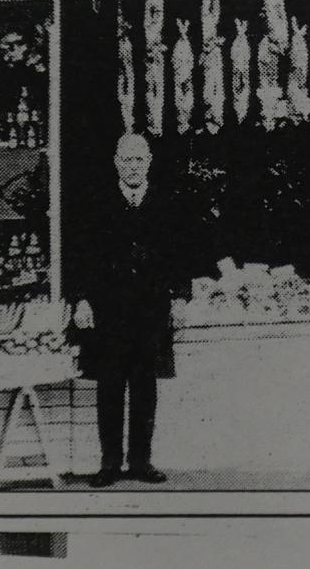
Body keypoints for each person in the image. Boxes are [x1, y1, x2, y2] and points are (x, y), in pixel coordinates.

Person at [73, 133, 176, 487]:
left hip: (151, 311)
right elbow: (83, 254)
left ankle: (141, 462)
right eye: (127, 160)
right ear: (116, 162)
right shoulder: (98, 202)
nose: (133, 166)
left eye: (139, 160)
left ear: (149, 162)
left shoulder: (165, 202)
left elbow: (178, 252)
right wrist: (82, 299)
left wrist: (178, 298)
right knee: (110, 386)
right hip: (110, 311)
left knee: (145, 387)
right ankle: (110, 464)